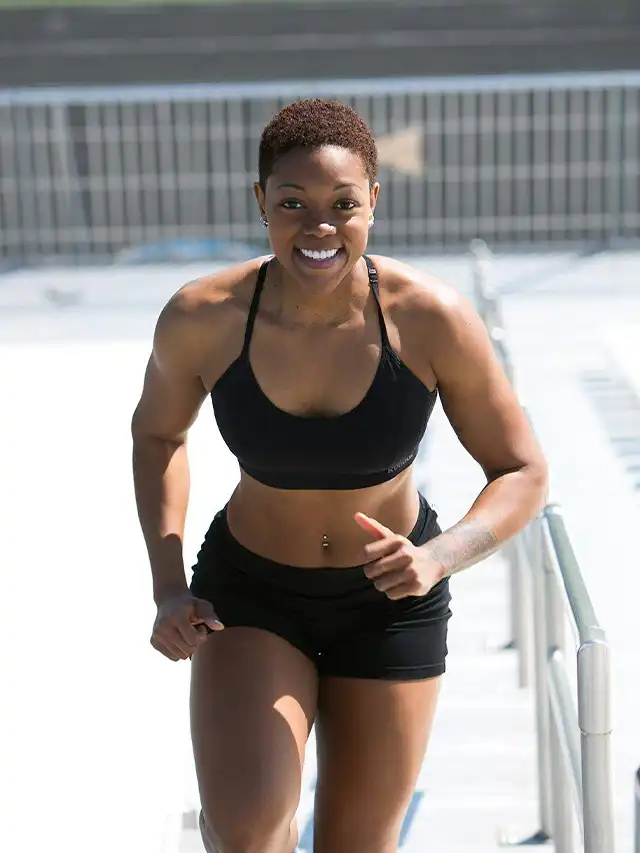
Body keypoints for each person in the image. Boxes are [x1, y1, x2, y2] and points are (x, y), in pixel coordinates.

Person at [131, 98, 548, 853]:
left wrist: (438, 556)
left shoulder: (431, 318)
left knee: (357, 842)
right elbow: (158, 433)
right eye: (292, 203)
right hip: (250, 594)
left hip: (390, 603)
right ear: (261, 202)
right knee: (248, 828)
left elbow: (521, 468)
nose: (319, 227)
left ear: (374, 204)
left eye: (342, 205)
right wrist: (167, 583)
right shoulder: (205, 316)